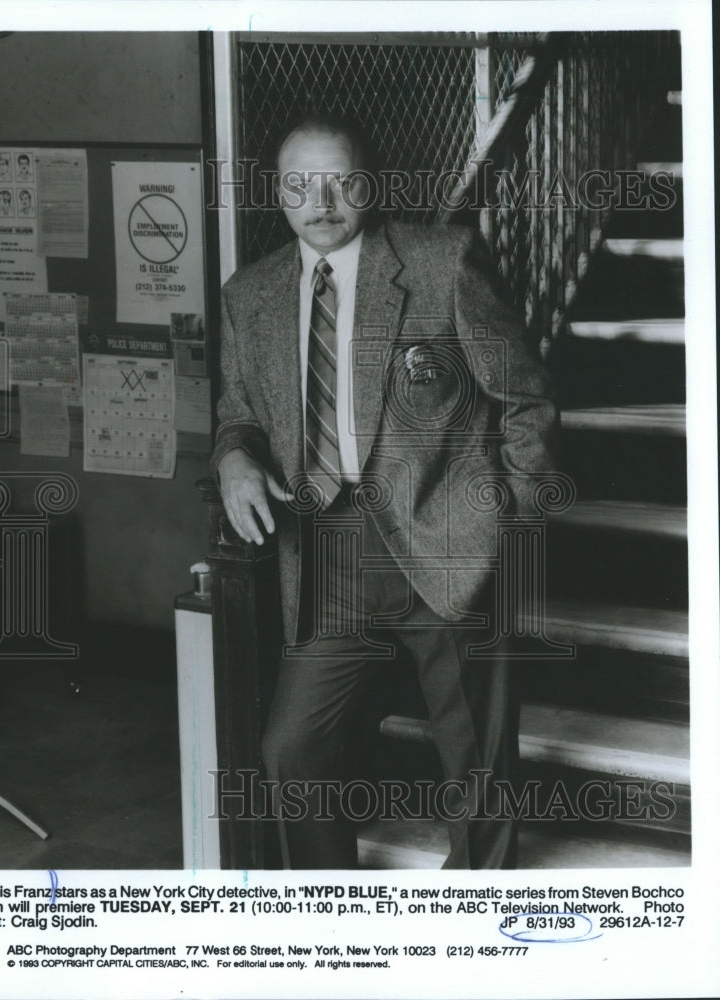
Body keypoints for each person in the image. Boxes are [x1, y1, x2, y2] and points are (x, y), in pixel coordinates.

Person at [211, 112, 558, 870]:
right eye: (301, 184)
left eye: (342, 181)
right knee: (292, 749)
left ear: (371, 186)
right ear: (277, 192)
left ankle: (479, 909)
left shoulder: (440, 262)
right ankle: (334, 923)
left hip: (447, 541)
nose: (322, 200)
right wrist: (233, 461)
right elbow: (238, 418)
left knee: (476, 761)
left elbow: (524, 398)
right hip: (325, 557)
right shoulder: (250, 296)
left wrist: (509, 520)